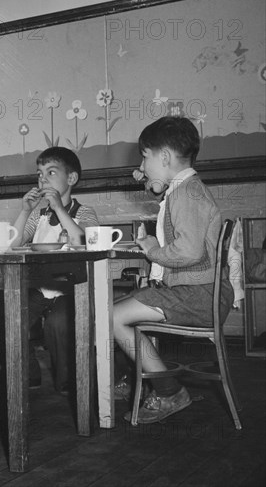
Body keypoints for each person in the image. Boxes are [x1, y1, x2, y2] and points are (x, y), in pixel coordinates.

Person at [113, 116, 234, 424]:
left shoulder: (186, 194)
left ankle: (168, 390)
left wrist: (152, 249)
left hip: (199, 297)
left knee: (111, 317)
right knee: (112, 310)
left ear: (164, 156)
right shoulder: (184, 188)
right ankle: (141, 379)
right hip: (196, 293)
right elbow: (165, 195)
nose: (142, 163)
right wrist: (152, 180)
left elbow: (190, 252)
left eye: (145, 156)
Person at [0, 147, 99, 393]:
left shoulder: (84, 212)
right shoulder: (37, 217)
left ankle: (69, 382)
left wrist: (60, 209)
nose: (43, 179)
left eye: (51, 172)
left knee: (59, 322)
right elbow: (12, 245)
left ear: (71, 179)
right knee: (5, 311)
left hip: (71, 289)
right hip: (39, 288)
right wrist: (25, 210)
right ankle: (25, 374)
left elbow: (83, 241)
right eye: (39, 174)